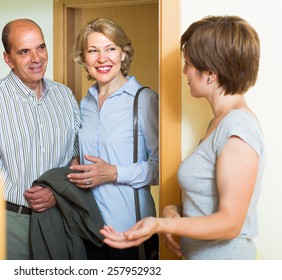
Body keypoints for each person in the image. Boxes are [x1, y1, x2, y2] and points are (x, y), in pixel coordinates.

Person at [100, 15, 265, 260]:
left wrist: (159, 225)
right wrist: (171, 210)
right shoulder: (219, 123)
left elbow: (231, 222)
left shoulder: (238, 126)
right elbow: (207, 203)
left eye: (188, 63)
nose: (184, 70)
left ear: (210, 73)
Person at [0, 18, 81, 260]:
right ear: (8, 59)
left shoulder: (65, 96)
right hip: (13, 223)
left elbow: (76, 160)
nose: (36, 58)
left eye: (41, 47)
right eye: (24, 52)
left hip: (61, 217)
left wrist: (58, 192)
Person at [67, 18, 160, 260]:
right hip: (89, 230)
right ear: (83, 57)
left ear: (123, 53)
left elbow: (161, 168)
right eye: (93, 51)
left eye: (110, 49)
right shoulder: (84, 103)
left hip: (130, 232)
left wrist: (114, 172)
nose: (102, 58)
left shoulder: (144, 100)